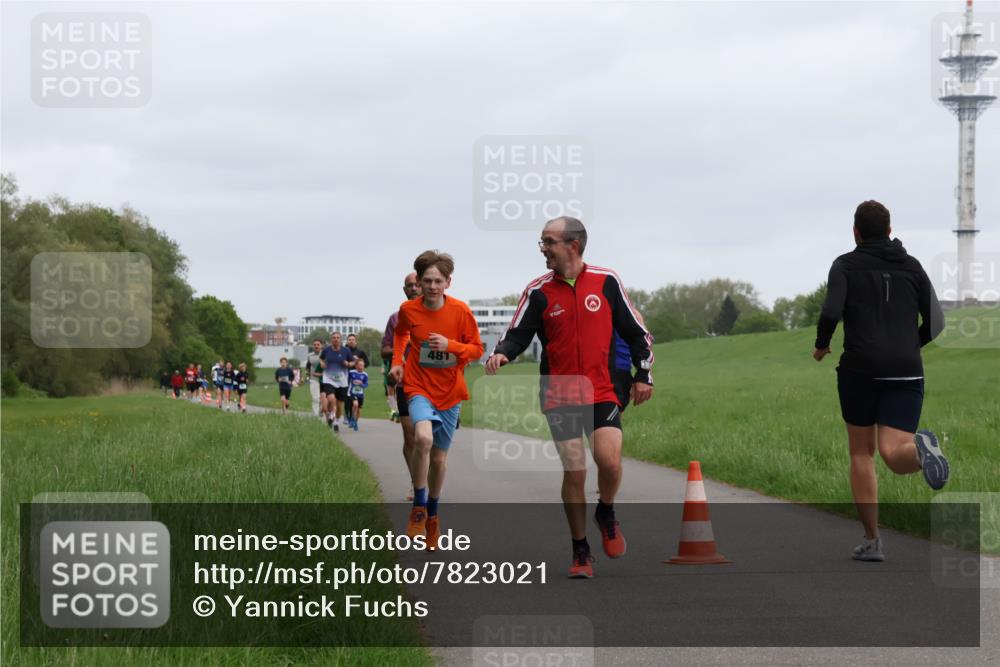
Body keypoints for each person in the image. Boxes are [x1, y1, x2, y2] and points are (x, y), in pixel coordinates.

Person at [486, 216, 654, 579]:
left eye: (548, 241)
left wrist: (644, 375)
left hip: (602, 388)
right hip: (560, 392)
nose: (543, 248)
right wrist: (502, 353)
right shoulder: (538, 291)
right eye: (542, 242)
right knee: (575, 471)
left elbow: (637, 332)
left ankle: (606, 510)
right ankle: (580, 549)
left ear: (572, 245)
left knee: (609, 462)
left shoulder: (606, 282)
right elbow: (518, 333)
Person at [813, 200, 948, 562]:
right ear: (890, 231)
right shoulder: (913, 266)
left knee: (863, 452)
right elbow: (937, 322)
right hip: (906, 370)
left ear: (855, 231)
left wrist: (822, 344)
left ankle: (872, 541)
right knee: (894, 451)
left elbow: (830, 311)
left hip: (860, 369)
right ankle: (922, 451)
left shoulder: (845, 265)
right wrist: (908, 345)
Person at [390, 251, 483, 551]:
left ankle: (433, 516)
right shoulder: (408, 309)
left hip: (450, 392)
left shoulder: (460, 312)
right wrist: (397, 361)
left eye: (437, 281)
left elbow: (477, 350)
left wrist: (451, 346)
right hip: (417, 386)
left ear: (448, 282)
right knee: (422, 438)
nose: (432, 286)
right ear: (418, 281)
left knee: (440, 459)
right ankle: (418, 504)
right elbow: (401, 333)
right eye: (427, 281)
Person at [382, 271, 423, 498]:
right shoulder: (396, 318)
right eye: (410, 285)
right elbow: (384, 349)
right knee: (410, 436)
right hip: (405, 383)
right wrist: (402, 351)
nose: (415, 288)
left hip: (432, 384)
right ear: (404, 289)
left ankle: (429, 477)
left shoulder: (436, 314)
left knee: (427, 438)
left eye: (418, 284)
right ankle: (416, 483)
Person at [320, 331, 355, 432]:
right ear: (331, 339)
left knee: (339, 405)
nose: (336, 339)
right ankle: (332, 416)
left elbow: (353, 362)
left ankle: (336, 421)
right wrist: (322, 364)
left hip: (342, 380)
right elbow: (321, 359)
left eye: (337, 337)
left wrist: (348, 364)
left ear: (340, 339)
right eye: (334, 337)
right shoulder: (326, 350)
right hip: (328, 379)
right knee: (331, 398)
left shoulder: (346, 351)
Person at [347, 359, 369, 431]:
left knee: (359, 410)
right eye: (360, 365)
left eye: (362, 365)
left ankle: (355, 423)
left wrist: (361, 384)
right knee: (355, 404)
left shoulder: (365, 375)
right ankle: (352, 418)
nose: (361, 367)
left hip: (360, 394)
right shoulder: (351, 372)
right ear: (356, 366)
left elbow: (366, 385)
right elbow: (346, 379)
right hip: (352, 393)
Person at [307, 339, 324, 419]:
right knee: (315, 398)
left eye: (318, 344)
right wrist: (307, 375)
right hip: (313, 379)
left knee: (322, 398)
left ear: (321, 345)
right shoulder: (310, 356)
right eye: (315, 344)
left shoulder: (325, 354)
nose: (316, 346)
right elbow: (308, 366)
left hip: (325, 379)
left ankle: (321, 409)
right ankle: (315, 417)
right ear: (313, 346)